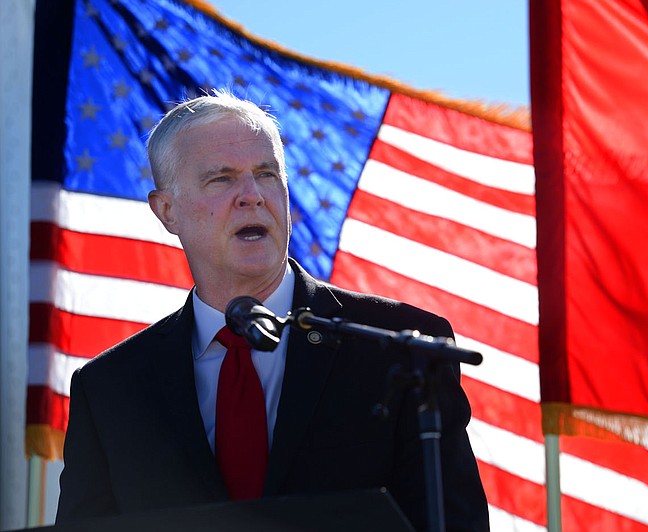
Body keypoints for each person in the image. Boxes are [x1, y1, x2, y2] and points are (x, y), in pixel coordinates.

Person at [56, 91, 489, 531]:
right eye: (222, 179)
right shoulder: (110, 389)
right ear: (167, 210)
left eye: (266, 174)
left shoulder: (400, 349)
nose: (252, 195)